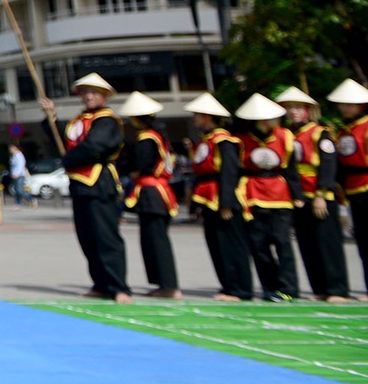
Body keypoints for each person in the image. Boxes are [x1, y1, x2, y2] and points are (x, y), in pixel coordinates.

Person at [38, 72, 129, 301]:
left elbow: (93, 146)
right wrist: (51, 117)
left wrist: (67, 160)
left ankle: (119, 287)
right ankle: (100, 284)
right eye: (85, 92)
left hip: (99, 183)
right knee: (87, 237)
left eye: (94, 92)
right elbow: (63, 142)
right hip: (79, 185)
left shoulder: (107, 121)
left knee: (106, 237)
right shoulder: (78, 121)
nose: (89, 96)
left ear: (104, 96)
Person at [276, 85, 349, 303]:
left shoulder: (321, 133)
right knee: (307, 244)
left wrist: (321, 193)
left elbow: (328, 166)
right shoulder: (287, 135)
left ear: (307, 110)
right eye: (289, 108)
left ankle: (338, 288)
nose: (293, 112)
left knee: (327, 243)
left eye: (297, 108)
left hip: (319, 193)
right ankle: (319, 287)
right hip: (298, 196)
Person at [185, 93, 252, 301]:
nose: (194, 119)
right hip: (208, 197)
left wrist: (226, 203)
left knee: (231, 244)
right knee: (217, 244)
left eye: (197, 115)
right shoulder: (206, 140)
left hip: (222, 199)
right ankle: (227, 285)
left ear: (207, 117)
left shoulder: (225, 141)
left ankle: (240, 288)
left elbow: (229, 173)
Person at [234, 93, 301, 302]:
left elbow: (291, 169)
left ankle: (288, 288)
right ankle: (269, 288)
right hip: (253, 195)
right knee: (259, 245)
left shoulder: (285, 136)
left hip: (280, 195)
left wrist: (297, 196)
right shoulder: (241, 140)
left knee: (282, 243)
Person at [116, 91, 178, 299]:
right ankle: (164, 283)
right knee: (154, 238)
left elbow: (138, 166)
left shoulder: (147, 139)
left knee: (156, 239)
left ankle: (169, 285)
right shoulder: (159, 136)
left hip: (151, 192)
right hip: (158, 191)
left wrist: (132, 169)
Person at [328, 78, 368, 293]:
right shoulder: (344, 132)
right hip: (354, 190)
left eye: (349, 104)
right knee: (363, 242)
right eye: (342, 104)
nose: (345, 108)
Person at [6, 143, 29, 207]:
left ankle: (31, 199)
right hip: (14, 174)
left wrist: (17, 174)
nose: (10, 150)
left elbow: (21, 166)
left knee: (19, 190)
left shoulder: (19, 155)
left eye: (11, 148)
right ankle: (18, 203)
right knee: (16, 190)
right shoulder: (13, 156)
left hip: (19, 175)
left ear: (16, 148)